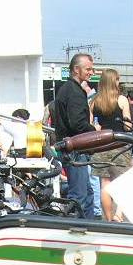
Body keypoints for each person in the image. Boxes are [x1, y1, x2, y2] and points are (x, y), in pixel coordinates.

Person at [54, 53, 97, 218]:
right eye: (88, 69)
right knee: (79, 195)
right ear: (76, 69)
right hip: (75, 149)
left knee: (86, 192)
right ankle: (77, 228)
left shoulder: (67, 89)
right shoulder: (74, 91)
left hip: (71, 148)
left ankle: (88, 226)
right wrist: (95, 132)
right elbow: (77, 124)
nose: (91, 72)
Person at [88, 68, 132, 221]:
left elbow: (90, 126)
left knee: (105, 184)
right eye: (118, 79)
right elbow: (128, 126)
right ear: (114, 81)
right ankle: (118, 214)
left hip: (101, 146)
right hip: (120, 145)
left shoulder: (94, 101)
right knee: (124, 182)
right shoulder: (122, 100)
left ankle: (107, 218)